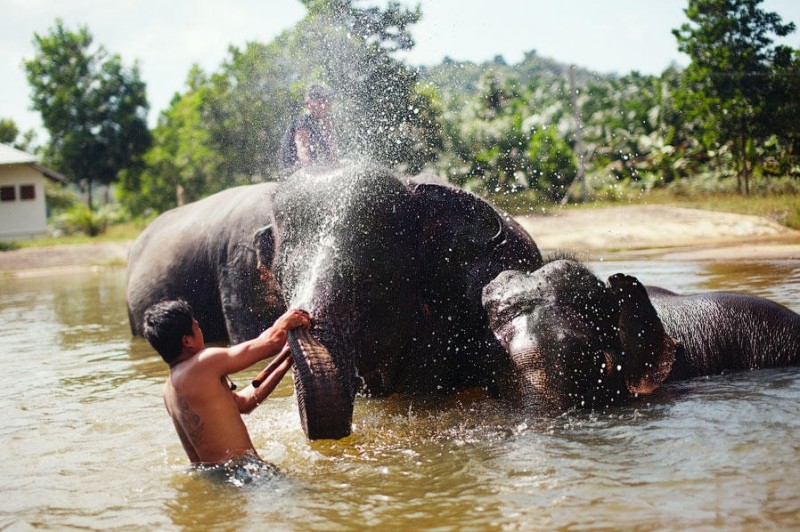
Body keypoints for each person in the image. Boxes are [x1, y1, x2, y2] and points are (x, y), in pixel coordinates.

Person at [143, 299, 312, 465]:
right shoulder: (202, 363)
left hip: (212, 478)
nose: (200, 331)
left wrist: (285, 363)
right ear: (187, 340)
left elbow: (244, 403)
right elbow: (271, 343)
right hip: (241, 470)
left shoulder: (169, 389)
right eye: (197, 327)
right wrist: (285, 321)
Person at [279, 84, 338, 172]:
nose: (324, 106)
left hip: (301, 169)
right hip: (292, 171)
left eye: (327, 102)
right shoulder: (304, 121)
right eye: (320, 102)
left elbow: (333, 156)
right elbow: (303, 152)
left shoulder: (320, 126)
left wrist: (328, 127)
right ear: (308, 104)